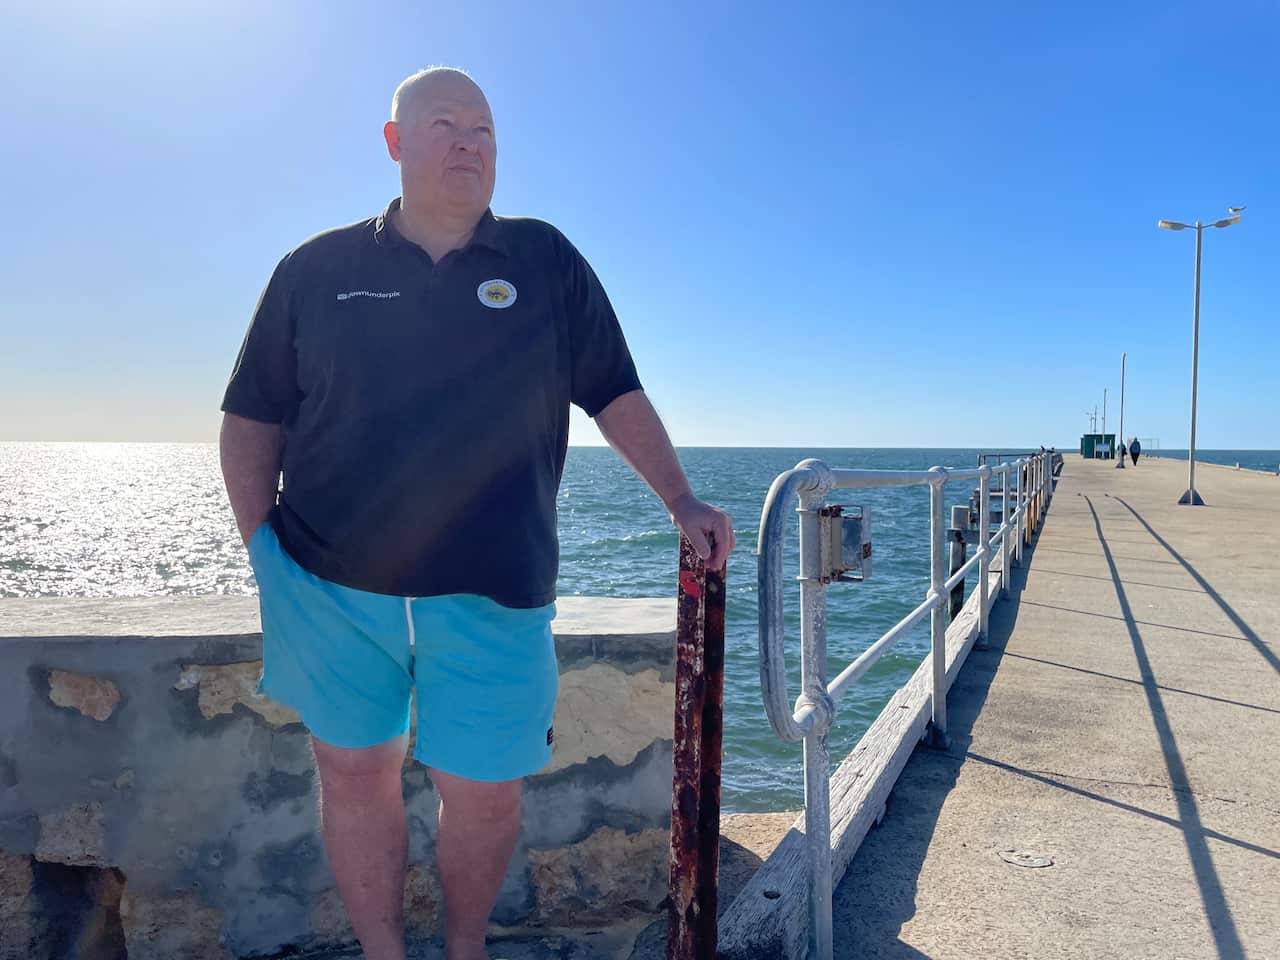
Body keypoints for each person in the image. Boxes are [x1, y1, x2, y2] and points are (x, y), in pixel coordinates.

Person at [218, 66, 734, 960]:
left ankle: (466, 950)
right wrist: (261, 549)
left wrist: (680, 496)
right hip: (332, 584)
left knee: (488, 790)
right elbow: (251, 416)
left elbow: (614, 391)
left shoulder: (545, 261)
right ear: (395, 143)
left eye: (484, 130)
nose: (468, 142)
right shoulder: (316, 269)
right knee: (353, 774)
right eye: (444, 123)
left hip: (497, 586)